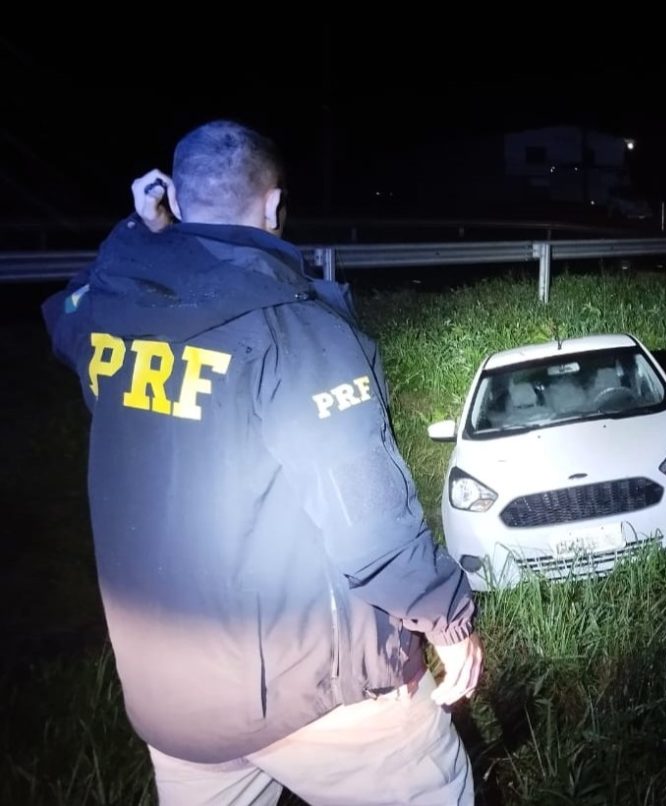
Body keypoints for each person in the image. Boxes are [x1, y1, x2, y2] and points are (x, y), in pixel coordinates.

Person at [42, 120, 482, 805]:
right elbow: (368, 519)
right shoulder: (296, 328)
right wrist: (448, 623)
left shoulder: (112, 312)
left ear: (175, 203)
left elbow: (69, 307)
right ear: (274, 206)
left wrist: (136, 230)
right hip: (317, 698)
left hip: (175, 704)